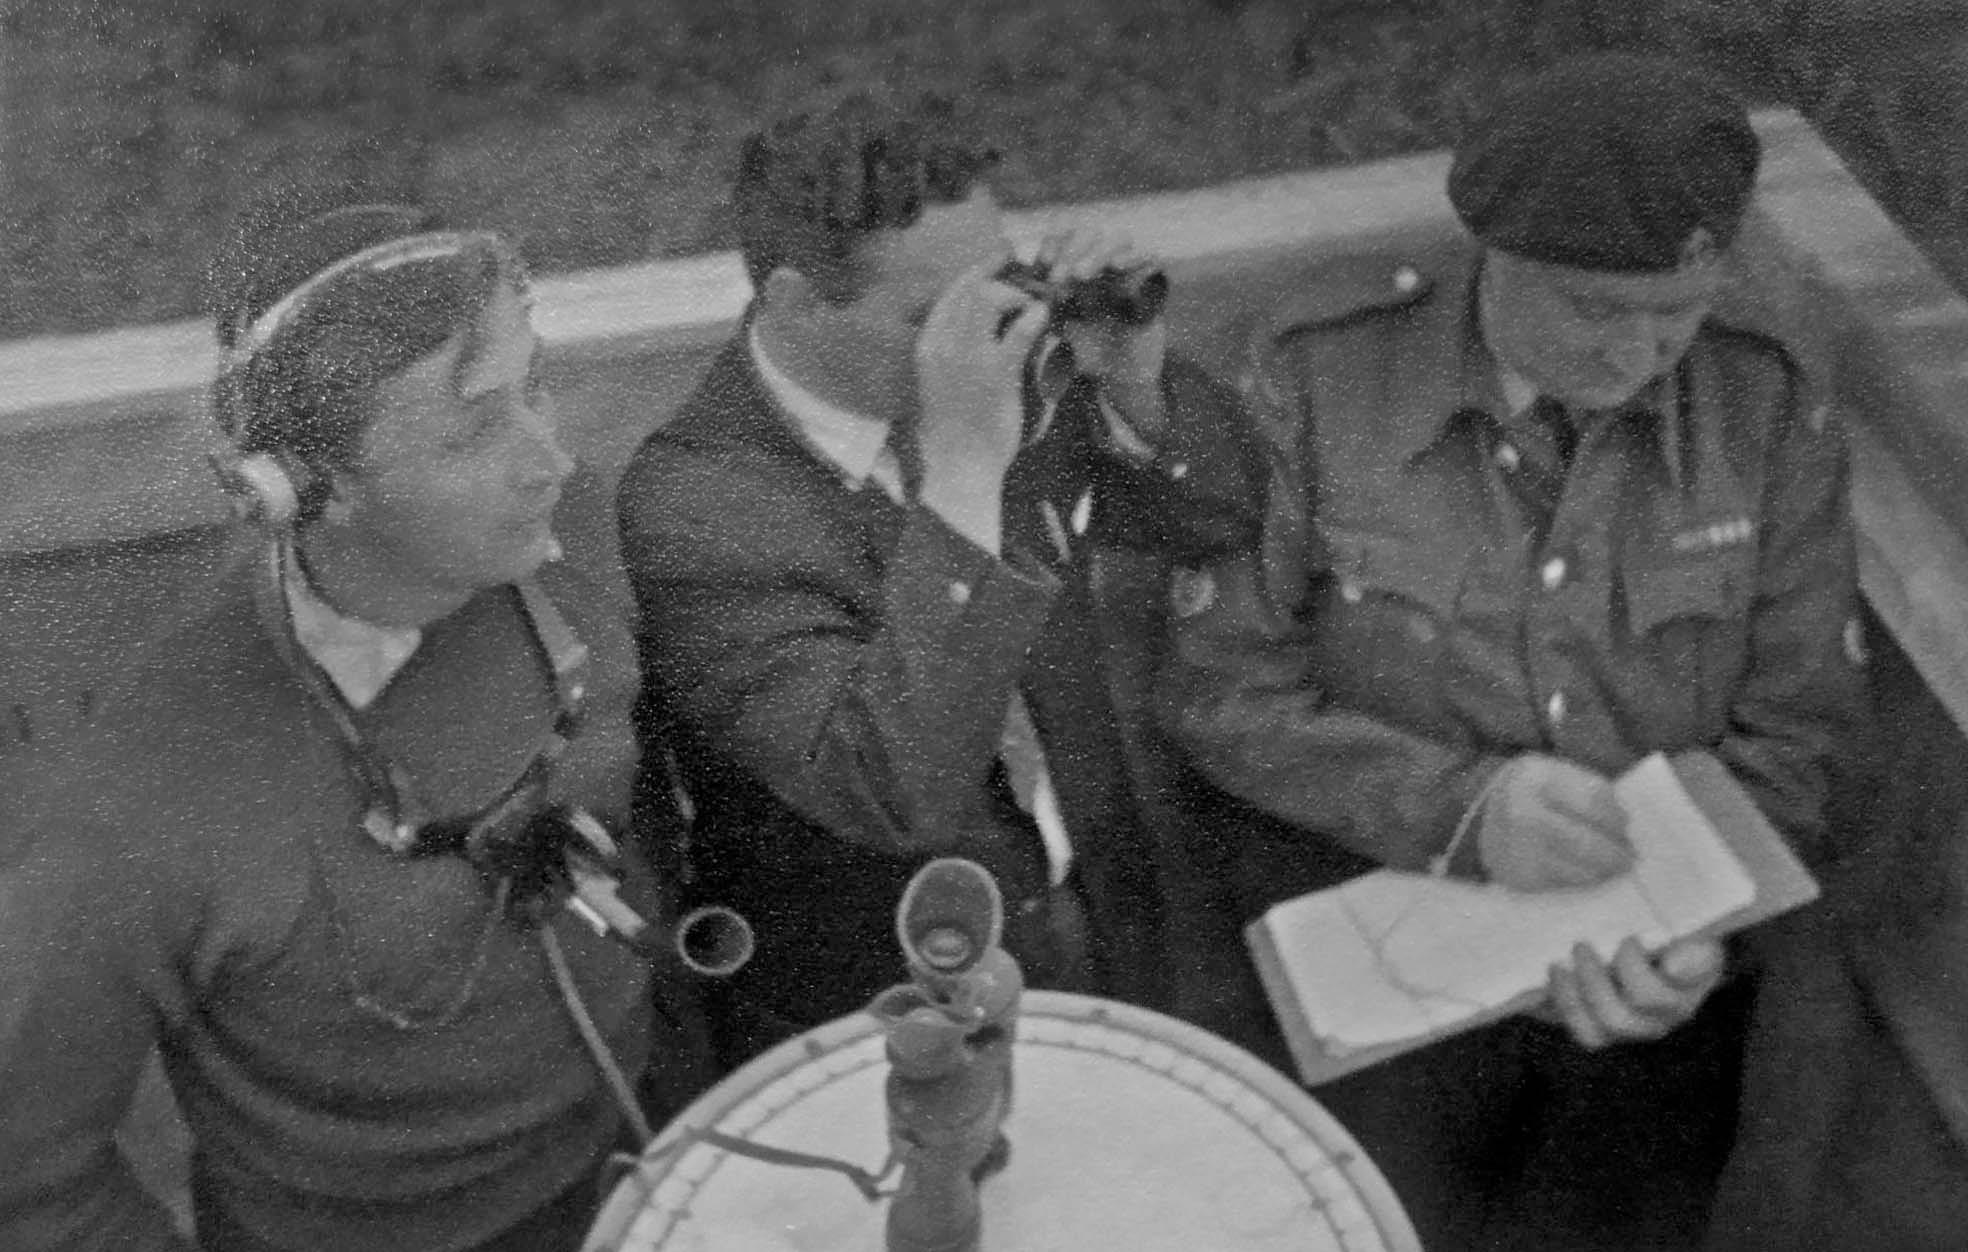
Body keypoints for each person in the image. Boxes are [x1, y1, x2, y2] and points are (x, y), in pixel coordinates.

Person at [1159, 54, 1865, 1250]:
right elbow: (1223, 691)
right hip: (1381, 966)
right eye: (1596, 312)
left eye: (1678, 312)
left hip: (1651, 997)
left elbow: (1803, 734)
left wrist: (1697, 933)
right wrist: (1464, 810)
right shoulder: (1317, 381)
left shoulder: (1762, 402)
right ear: (1495, 257)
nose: (1642, 356)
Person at [0, 196, 711, 1252]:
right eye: (474, 429)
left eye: (537, 390)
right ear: (301, 489)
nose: (548, 463)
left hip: (638, 1164)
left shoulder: (575, 596)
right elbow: (29, 1184)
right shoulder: (136, 804)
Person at [614, 88, 1262, 1071]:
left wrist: (1136, 381)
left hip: (1107, 905)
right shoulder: (697, 505)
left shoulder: (1004, 365)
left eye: (997, 286)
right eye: (933, 314)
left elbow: (1220, 515)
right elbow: (891, 787)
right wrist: (963, 470)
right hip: (892, 999)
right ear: (793, 302)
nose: (988, 336)